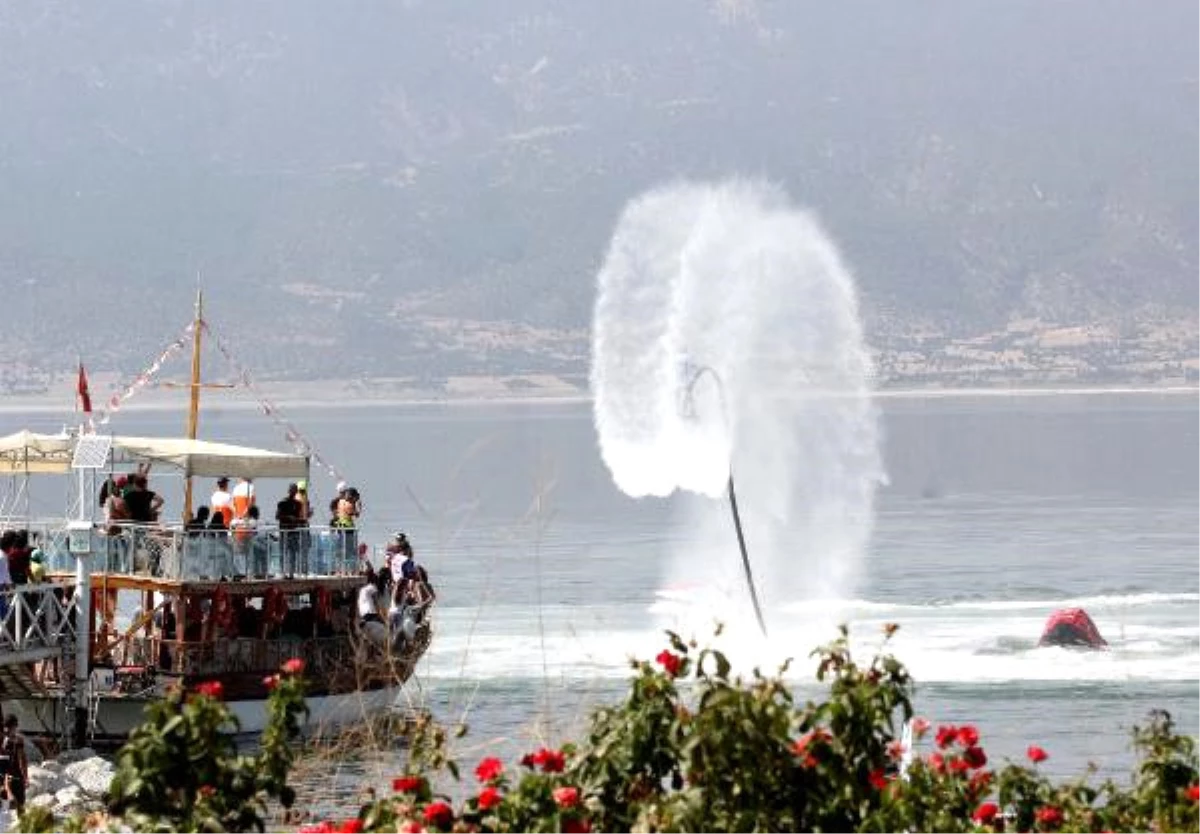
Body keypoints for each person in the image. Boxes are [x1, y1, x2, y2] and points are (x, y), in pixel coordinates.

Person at [1, 715, 27, 819]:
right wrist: (25, 777)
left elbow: (21, 759)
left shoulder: (7, 739)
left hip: (9, 776)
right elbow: (22, 760)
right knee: (17, 807)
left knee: (12, 806)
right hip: (12, 776)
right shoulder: (15, 740)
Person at [275, 484, 305, 577]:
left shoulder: (298, 504)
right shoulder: (282, 503)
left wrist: (300, 521)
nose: (293, 492)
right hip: (284, 531)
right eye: (292, 490)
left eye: (295, 491)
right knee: (283, 553)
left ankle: (291, 573)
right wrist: (289, 517)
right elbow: (277, 516)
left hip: (294, 532)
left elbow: (299, 518)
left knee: (293, 553)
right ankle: (283, 572)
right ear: (289, 491)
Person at [356, 568, 386, 646]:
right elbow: (376, 602)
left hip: (363, 614)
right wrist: (381, 615)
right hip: (371, 613)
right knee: (383, 629)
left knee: (368, 636)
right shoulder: (372, 587)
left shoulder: (362, 589)